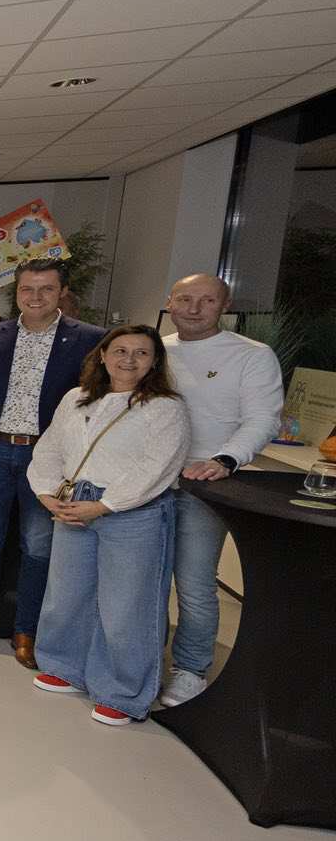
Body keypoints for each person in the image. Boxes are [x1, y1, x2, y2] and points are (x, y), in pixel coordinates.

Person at [0, 258, 106, 666]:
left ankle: (26, 630)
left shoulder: (89, 339)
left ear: (61, 292)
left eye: (46, 289)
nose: (35, 297)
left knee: (38, 547)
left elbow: (97, 404)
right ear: (17, 293)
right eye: (27, 289)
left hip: (48, 461)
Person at [28, 327, 189, 724]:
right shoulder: (76, 398)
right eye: (120, 350)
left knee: (128, 604)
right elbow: (51, 448)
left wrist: (103, 506)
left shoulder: (166, 408)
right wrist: (47, 493)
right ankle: (64, 665)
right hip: (74, 502)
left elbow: (158, 466)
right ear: (102, 355)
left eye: (141, 353)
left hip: (132, 510)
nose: (128, 359)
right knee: (67, 592)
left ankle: (123, 691)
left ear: (155, 361)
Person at [158, 274, 284, 706]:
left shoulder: (251, 355)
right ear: (170, 303)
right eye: (185, 299)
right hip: (148, 483)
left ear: (224, 306)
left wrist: (225, 459)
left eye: (207, 300)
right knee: (146, 580)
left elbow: (263, 418)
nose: (194, 309)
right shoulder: (155, 350)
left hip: (204, 487)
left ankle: (190, 669)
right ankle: (142, 658)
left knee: (193, 584)